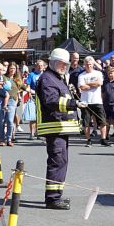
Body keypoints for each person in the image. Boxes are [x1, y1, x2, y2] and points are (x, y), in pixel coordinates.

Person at [35, 48, 86, 210]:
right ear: (53, 62)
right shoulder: (48, 79)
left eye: (66, 64)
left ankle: (56, 196)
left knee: (61, 161)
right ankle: (52, 199)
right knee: (57, 162)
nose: (65, 66)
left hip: (61, 127)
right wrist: (73, 104)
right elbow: (51, 101)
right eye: (62, 63)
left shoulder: (57, 78)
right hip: (54, 126)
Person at [78, 56, 108, 147]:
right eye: (87, 64)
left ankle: (103, 139)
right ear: (84, 65)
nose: (88, 66)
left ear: (93, 65)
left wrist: (88, 84)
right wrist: (93, 85)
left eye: (90, 64)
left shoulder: (98, 73)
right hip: (85, 102)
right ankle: (88, 140)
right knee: (86, 122)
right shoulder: (81, 75)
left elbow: (100, 83)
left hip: (97, 101)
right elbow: (82, 87)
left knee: (102, 121)